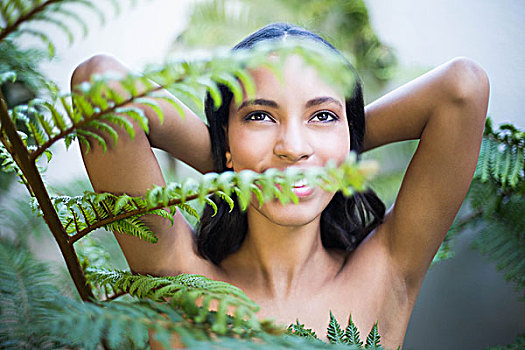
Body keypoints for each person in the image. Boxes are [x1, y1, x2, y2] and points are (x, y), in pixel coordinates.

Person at [71, 23, 489, 349]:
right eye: (259, 116)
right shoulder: (177, 275)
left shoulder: (387, 272)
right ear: (227, 139)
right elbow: (100, 82)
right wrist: (228, 161)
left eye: (323, 116)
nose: (292, 146)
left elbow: (463, 87)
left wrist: (339, 154)